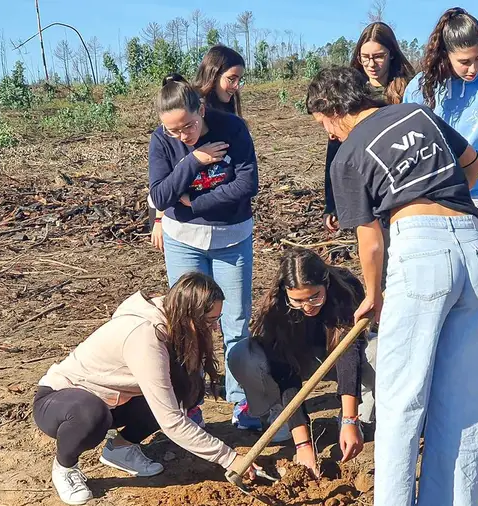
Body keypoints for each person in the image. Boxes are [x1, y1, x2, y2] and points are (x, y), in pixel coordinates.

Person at [306, 66, 478, 506]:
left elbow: (371, 244)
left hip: (420, 252)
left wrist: (372, 296)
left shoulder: (349, 153)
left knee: (400, 399)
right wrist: (437, 200)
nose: (329, 135)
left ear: (335, 110)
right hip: (475, 245)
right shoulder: (418, 114)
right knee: (464, 402)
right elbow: (473, 166)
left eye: (324, 125)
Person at [32, 272, 259, 505]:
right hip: (60, 402)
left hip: (114, 400)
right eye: (209, 321)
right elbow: (171, 421)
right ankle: (65, 467)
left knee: (181, 390)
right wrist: (229, 458)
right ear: (188, 314)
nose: (214, 328)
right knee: (91, 414)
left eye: (216, 319)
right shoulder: (144, 337)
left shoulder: (174, 318)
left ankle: (120, 449)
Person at [147, 73, 260, 429]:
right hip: (184, 242)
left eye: (189, 125)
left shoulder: (233, 129)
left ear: (201, 109)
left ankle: (242, 401)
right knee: (188, 323)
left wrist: (193, 202)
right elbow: (160, 196)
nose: (183, 135)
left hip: (232, 239)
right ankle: (191, 401)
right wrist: (193, 159)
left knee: (236, 321)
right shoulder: (163, 142)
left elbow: (246, 184)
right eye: (174, 131)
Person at [228, 248, 376, 477]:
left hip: (336, 359)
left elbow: (348, 354)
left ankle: (361, 416)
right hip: (299, 363)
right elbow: (286, 375)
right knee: (241, 354)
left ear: (325, 283)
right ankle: (278, 412)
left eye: (314, 297)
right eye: (297, 300)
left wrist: (349, 419)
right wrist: (303, 445)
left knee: (379, 349)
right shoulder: (276, 310)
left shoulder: (346, 289)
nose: (307, 306)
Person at [403, 7, 478, 257]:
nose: (473, 69)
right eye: (464, 62)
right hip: (428, 199)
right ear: (445, 55)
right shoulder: (418, 88)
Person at [150, 45, 246, 252]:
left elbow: (246, 182)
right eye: (231, 78)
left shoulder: (230, 120)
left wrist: (195, 202)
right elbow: (167, 169)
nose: (236, 86)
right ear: (214, 73)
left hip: (228, 227)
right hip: (185, 228)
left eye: (239, 79)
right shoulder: (185, 108)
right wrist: (159, 219)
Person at [323, 21, 416, 233]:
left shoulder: (409, 90)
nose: (371, 64)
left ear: (391, 54)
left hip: (401, 185)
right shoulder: (350, 93)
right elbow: (335, 151)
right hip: (365, 186)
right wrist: (332, 203)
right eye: (365, 57)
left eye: (378, 56)